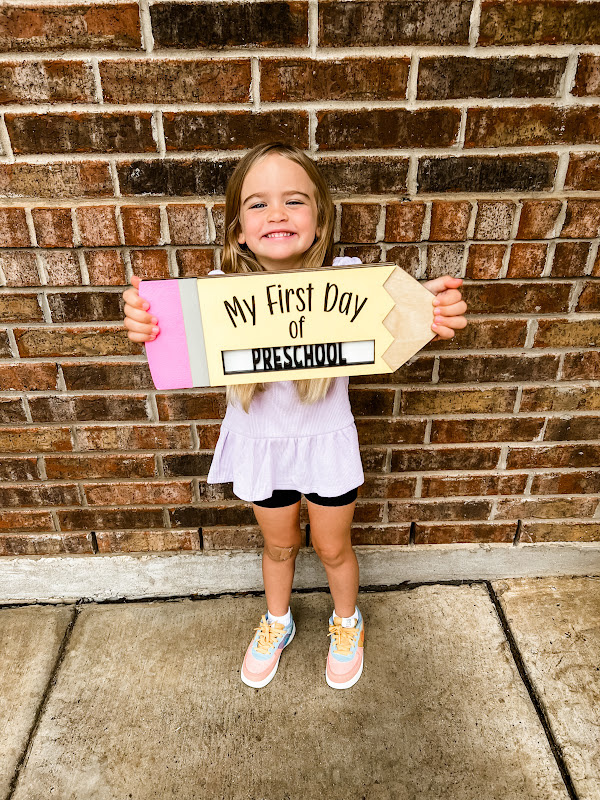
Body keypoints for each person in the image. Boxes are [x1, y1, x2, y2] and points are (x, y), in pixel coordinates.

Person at [122, 142, 468, 691]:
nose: (277, 213)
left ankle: (347, 621)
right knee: (280, 545)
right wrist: (146, 319)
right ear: (238, 228)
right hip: (261, 443)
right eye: (258, 204)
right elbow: (164, 326)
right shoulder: (215, 294)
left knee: (332, 547)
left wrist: (427, 306)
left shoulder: (347, 280)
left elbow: (390, 307)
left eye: (294, 201)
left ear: (319, 219)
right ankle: (277, 621)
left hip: (326, 442)